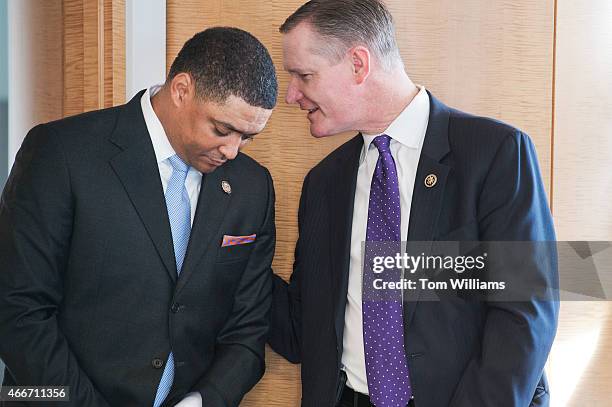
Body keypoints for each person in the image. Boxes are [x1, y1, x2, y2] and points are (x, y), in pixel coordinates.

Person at [268, 1, 558, 406]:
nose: (291, 95)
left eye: (303, 76)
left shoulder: (495, 154)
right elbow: (303, 328)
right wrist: (227, 249)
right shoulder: (323, 183)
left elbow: (527, 315)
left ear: (357, 64)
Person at [0, 27, 277, 407]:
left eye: (247, 138)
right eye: (222, 129)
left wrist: (202, 401)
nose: (232, 150)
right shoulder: (61, 153)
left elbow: (247, 330)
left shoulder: (252, 186)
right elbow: (17, 310)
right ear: (181, 90)